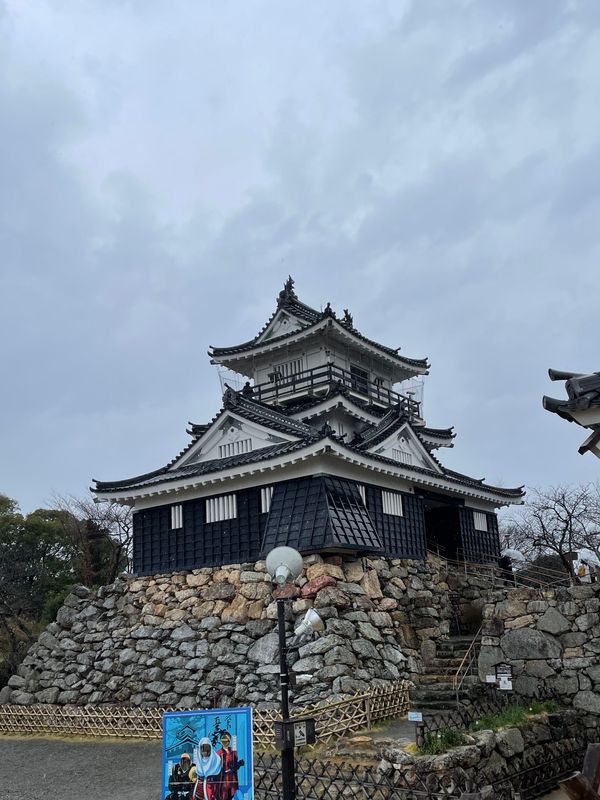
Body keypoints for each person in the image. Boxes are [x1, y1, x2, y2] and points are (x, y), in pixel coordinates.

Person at [216, 731, 245, 800]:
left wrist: (239, 764)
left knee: (231, 796)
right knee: (223, 796)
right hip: (223, 780)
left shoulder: (233, 751)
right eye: (223, 739)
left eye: (227, 739)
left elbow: (235, 764)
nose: (225, 741)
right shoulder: (218, 753)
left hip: (232, 779)